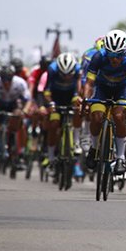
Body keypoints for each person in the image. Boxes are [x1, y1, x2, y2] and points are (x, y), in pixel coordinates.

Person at [83, 30, 126, 172]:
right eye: (111, 55)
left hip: (122, 88)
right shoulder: (98, 57)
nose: (115, 59)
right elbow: (89, 83)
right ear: (106, 51)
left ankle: (120, 157)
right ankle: (94, 147)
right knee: (96, 116)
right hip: (102, 88)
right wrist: (86, 100)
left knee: (120, 116)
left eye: (119, 55)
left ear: (125, 52)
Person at [0, 65, 34, 173]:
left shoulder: (20, 83)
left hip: (13, 105)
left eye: (8, 80)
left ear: (12, 78)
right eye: (3, 79)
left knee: (18, 123)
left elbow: (28, 100)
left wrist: (24, 111)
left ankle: (18, 151)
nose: (6, 82)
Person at [43, 53, 83, 181]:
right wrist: (50, 103)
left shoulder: (77, 69)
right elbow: (47, 91)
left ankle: (76, 141)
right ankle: (50, 157)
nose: (66, 77)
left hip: (71, 96)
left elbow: (79, 89)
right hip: (56, 98)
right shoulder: (52, 69)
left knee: (78, 109)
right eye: (63, 75)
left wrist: (77, 99)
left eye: (69, 74)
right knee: (54, 123)